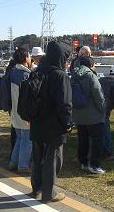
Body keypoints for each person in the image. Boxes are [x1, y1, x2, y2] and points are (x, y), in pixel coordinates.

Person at [30, 41, 72, 203]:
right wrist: (68, 123)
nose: (67, 61)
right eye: (66, 58)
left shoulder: (37, 71)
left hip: (36, 122)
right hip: (54, 125)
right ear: (60, 57)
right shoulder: (60, 75)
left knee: (37, 156)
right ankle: (49, 193)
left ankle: (37, 189)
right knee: (52, 159)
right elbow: (65, 104)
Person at [72, 56, 106, 174]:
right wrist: (103, 110)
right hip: (93, 115)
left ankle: (83, 162)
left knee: (83, 139)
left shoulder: (74, 75)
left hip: (78, 114)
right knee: (97, 140)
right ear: (91, 65)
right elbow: (98, 95)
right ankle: (95, 164)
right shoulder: (91, 76)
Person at [9, 47, 32, 173]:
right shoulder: (26, 75)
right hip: (24, 112)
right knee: (27, 140)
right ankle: (23, 165)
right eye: (29, 56)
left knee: (19, 138)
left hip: (14, 111)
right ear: (25, 58)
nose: (30, 58)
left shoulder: (13, 72)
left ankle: (14, 162)